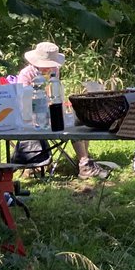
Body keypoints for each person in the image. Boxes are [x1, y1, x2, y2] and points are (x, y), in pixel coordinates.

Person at [13, 42, 109, 180]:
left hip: (52, 110)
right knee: (67, 127)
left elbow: (54, 93)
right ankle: (85, 164)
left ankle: (84, 161)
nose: (49, 67)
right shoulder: (26, 75)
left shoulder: (54, 70)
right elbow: (23, 102)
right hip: (32, 117)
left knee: (81, 120)